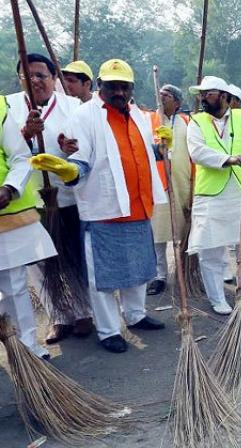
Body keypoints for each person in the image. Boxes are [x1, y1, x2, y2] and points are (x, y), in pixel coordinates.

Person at [31, 59, 167, 353]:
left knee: (139, 268)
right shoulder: (85, 116)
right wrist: (69, 171)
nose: (119, 92)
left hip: (139, 206)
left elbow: (136, 152)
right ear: (100, 86)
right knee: (103, 276)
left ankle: (136, 315)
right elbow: (80, 160)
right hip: (105, 209)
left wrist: (159, 148)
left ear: (131, 88)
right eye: (112, 86)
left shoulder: (138, 115)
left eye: (124, 86)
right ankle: (107, 330)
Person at [8, 53, 93, 344]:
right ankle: (59, 316)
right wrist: (25, 134)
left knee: (74, 257)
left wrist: (72, 148)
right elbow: (7, 151)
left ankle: (84, 311)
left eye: (41, 75)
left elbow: (86, 147)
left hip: (67, 197)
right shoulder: (10, 106)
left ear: (53, 78)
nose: (34, 81)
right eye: (27, 76)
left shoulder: (72, 106)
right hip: (31, 200)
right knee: (40, 263)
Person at [183, 76, 241, 315]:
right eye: (201, 94)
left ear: (224, 96)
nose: (203, 98)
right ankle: (217, 299)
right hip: (211, 195)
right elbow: (197, 152)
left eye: (209, 93)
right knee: (210, 249)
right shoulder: (196, 121)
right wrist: (228, 159)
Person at [0, 94, 57, 359]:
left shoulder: (0, 108)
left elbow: (20, 158)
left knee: (14, 284)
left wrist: (9, 188)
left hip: (5, 217)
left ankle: (27, 348)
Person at [144, 84, 192, 296]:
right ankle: (159, 275)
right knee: (158, 233)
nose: (162, 97)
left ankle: (185, 271)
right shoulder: (148, 121)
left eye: (168, 95)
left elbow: (193, 156)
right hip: (158, 185)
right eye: (160, 93)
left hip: (182, 184)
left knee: (184, 231)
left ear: (178, 103)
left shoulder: (186, 123)